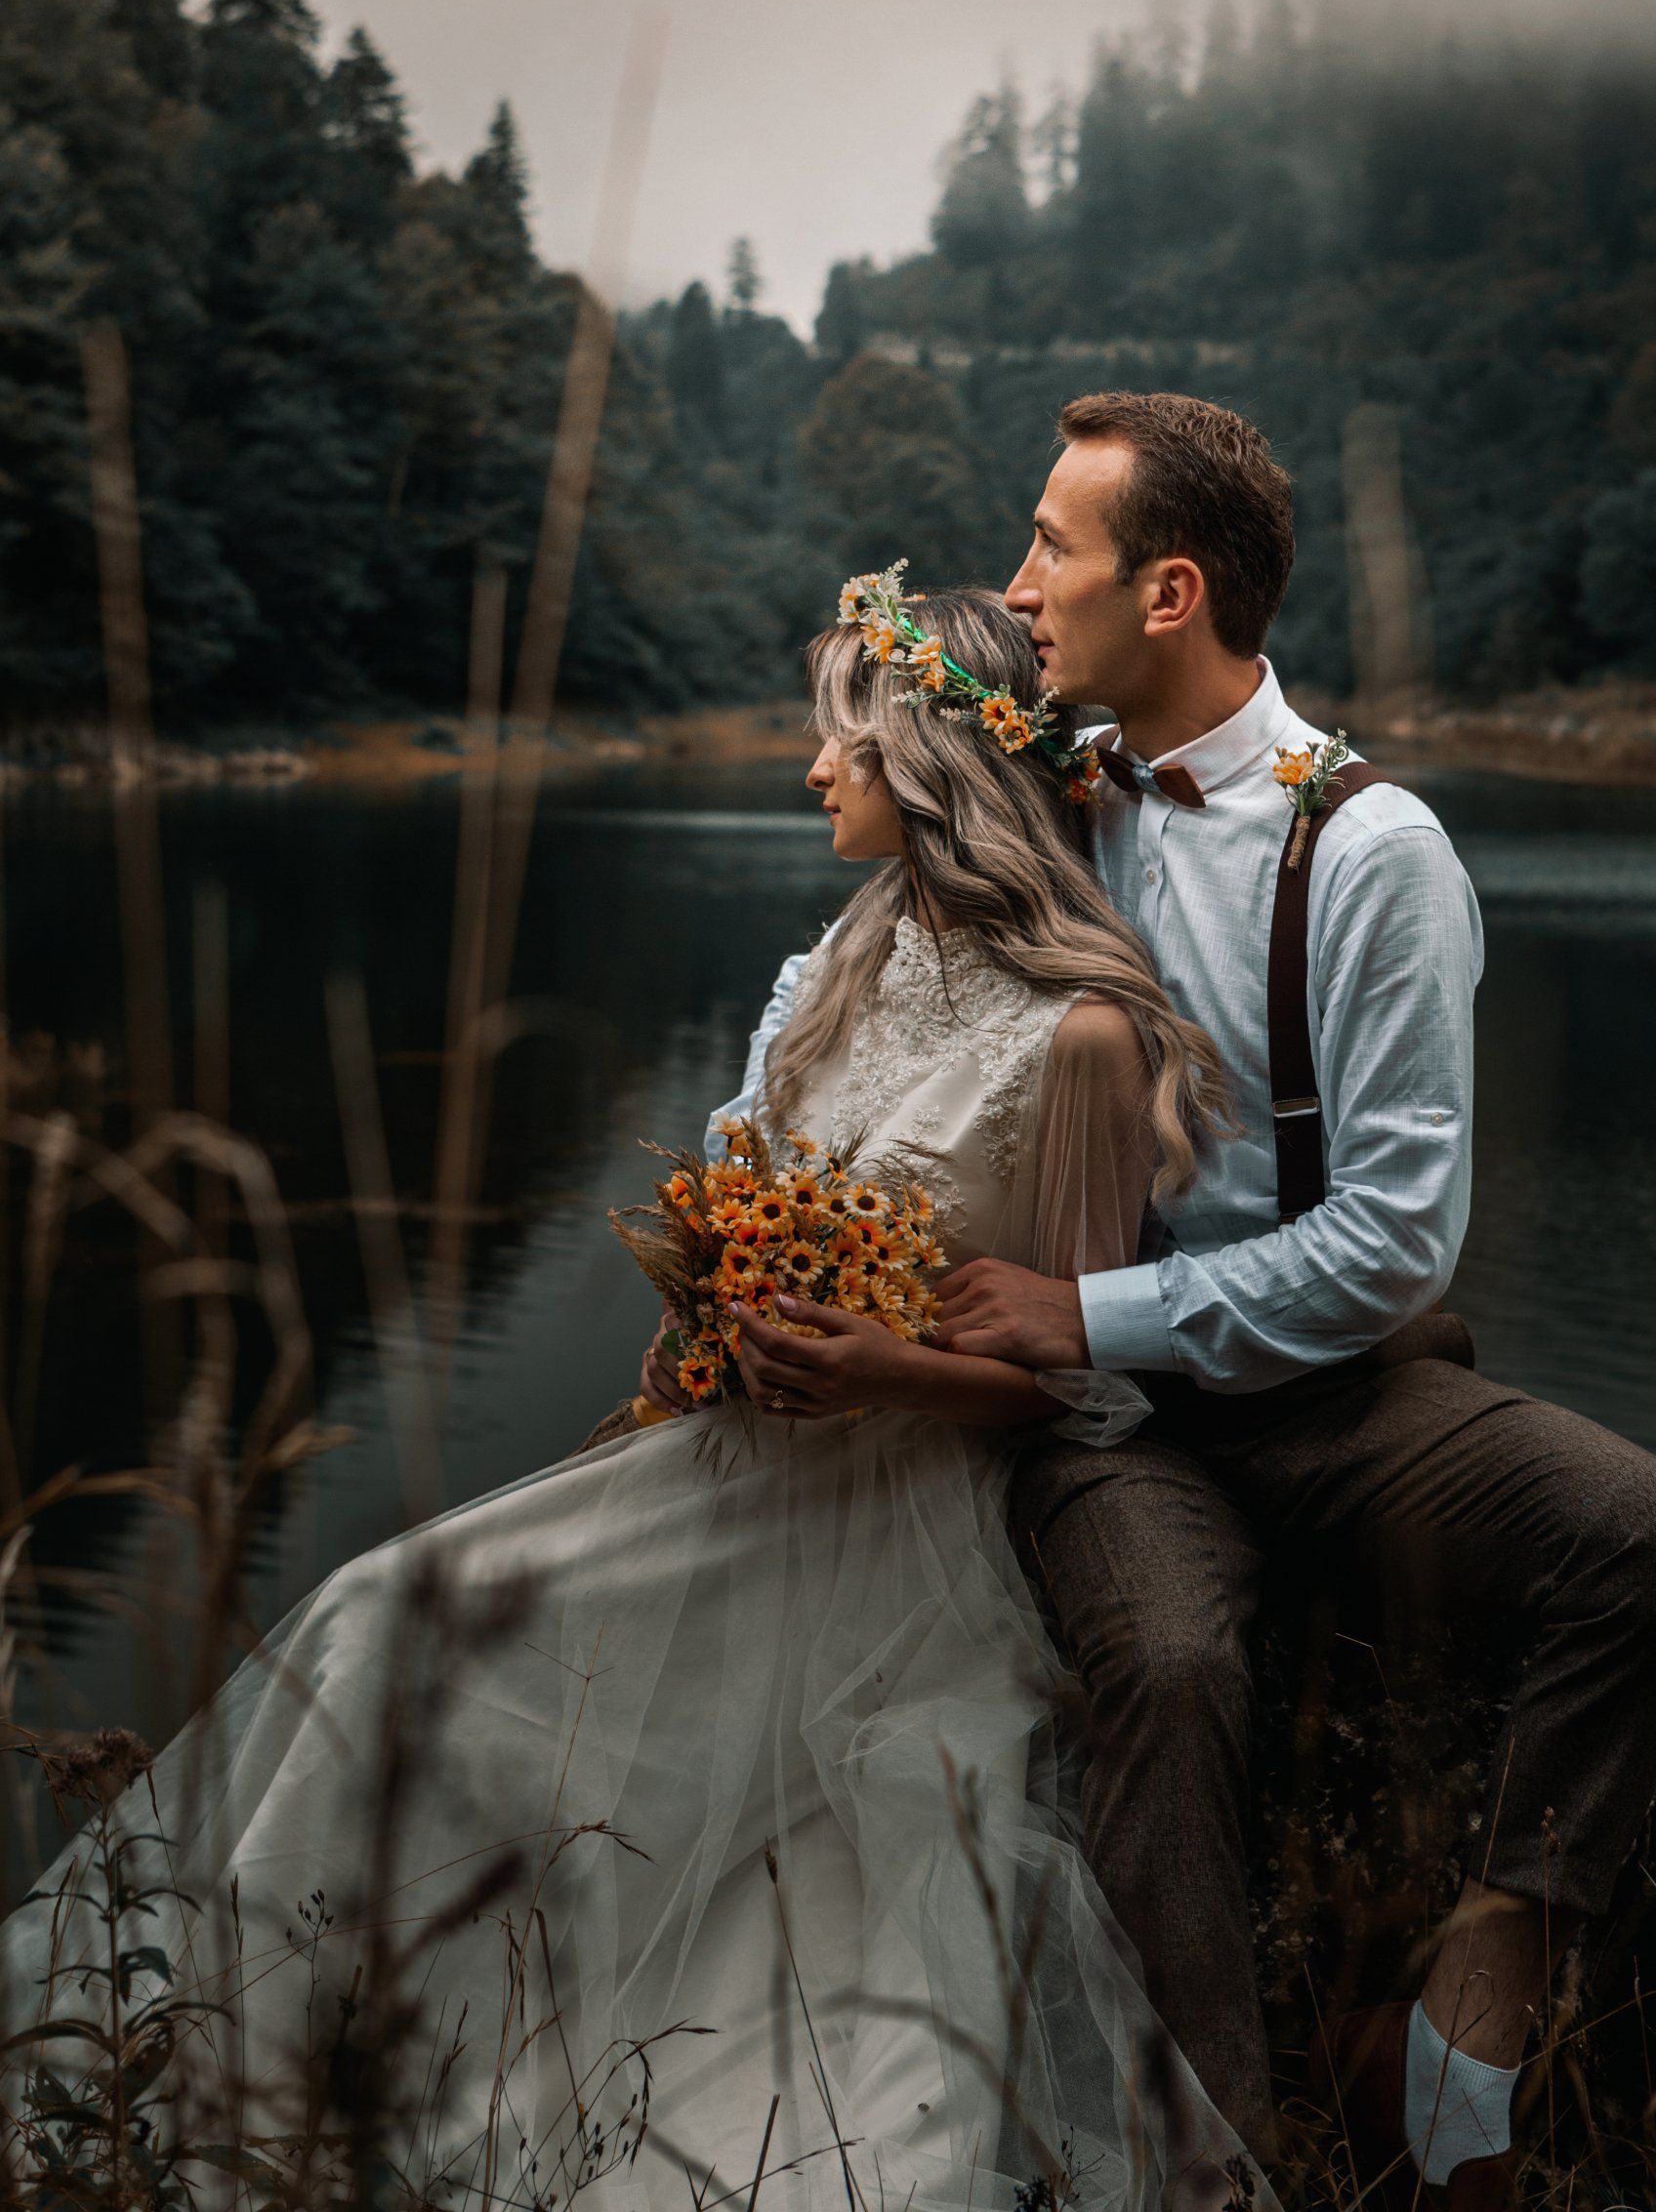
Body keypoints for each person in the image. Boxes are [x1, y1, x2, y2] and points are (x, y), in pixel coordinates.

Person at [1, 587, 1268, 2212]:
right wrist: (707, 1321)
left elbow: (1079, 1391)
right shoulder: (838, 971)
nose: (817, 768)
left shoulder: (1082, 1038)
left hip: (898, 1524)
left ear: (939, 759)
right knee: (376, 1612)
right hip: (723, 1459)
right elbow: (739, 1206)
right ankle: (214, 2089)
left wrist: (894, 1367)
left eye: (846, 736)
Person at [930, 389, 1656, 2206]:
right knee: (1178, 1664)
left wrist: (1082, 1315)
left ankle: (1485, 1973)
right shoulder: (1047, 800)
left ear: (1171, 591)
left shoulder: (1372, 855)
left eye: (1053, 544)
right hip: (1118, 1439)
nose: (1017, 583)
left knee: (1649, 1529)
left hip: (1337, 1399)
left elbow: (1392, 1244)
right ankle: (1209, 2163)